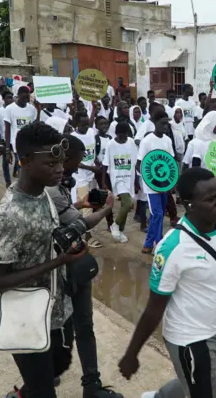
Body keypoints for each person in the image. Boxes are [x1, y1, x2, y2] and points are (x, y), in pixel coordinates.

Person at [118, 167, 216, 398]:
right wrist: (132, 354)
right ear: (189, 203)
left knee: (205, 380)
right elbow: (154, 308)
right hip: (189, 339)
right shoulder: (172, 248)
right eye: (210, 199)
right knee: (204, 388)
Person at [0, 123, 81, 398]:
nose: (60, 169)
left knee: (59, 367)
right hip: (27, 319)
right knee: (44, 391)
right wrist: (58, 261)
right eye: (51, 163)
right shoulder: (9, 216)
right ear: (24, 162)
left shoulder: (43, 193)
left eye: (61, 161)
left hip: (57, 310)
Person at [44, 134, 123, 398]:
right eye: (76, 160)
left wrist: (82, 203)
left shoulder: (60, 187)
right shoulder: (52, 188)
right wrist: (105, 210)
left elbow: (67, 211)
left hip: (74, 264)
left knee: (81, 325)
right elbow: (79, 223)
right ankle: (53, 373)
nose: (79, 166)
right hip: (60, 267)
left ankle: (91, 385)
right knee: (66, 325)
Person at [137, 108, 174, 254]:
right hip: (151, 186)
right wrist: (150, 180)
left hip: (164, 184)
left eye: (167, 124)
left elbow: (170, 163)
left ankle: (147, 244)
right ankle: (159, 244)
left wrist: (172, 182)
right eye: (163, 124)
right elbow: (139, 164)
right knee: (158, 213)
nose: (165, 127)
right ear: (155, 123)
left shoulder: (167, 140)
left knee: (156, 214)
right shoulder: (146, 141)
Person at [103, 122, 139, 244]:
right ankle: (115, 225)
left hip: (129, 178)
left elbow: (134, 163)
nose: (124, 138)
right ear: (116, 134)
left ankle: (120, 230)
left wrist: (137, 181)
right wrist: (104, 182)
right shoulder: (110, 145)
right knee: (127, 203)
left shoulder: (131, 142)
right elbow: (105, 164)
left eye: (126, 135)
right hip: (117, 179)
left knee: (127, 206)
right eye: (121, 136)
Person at [4, 86, 39, 179]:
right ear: (18, 95)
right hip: (18, 144)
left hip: (30, 144)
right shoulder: (9, 109)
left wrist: (38, 110)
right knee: (22, 167)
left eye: (28, 97)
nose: (26, 99)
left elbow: (36, 125)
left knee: (30, 167)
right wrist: (7, 151)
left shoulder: (32, 109)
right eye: (24, 97)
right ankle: (21, 189)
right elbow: (7, 130)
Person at [0, 91, 15, 187]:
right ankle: (7, 181)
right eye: (8, 98)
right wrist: (0, 143)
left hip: (15, 139)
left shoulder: (15, 109)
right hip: (4, 139)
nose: (10, 100)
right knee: (5, 161)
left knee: (19, 159)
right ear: (3, 99)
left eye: (11, 97)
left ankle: (16, 171)